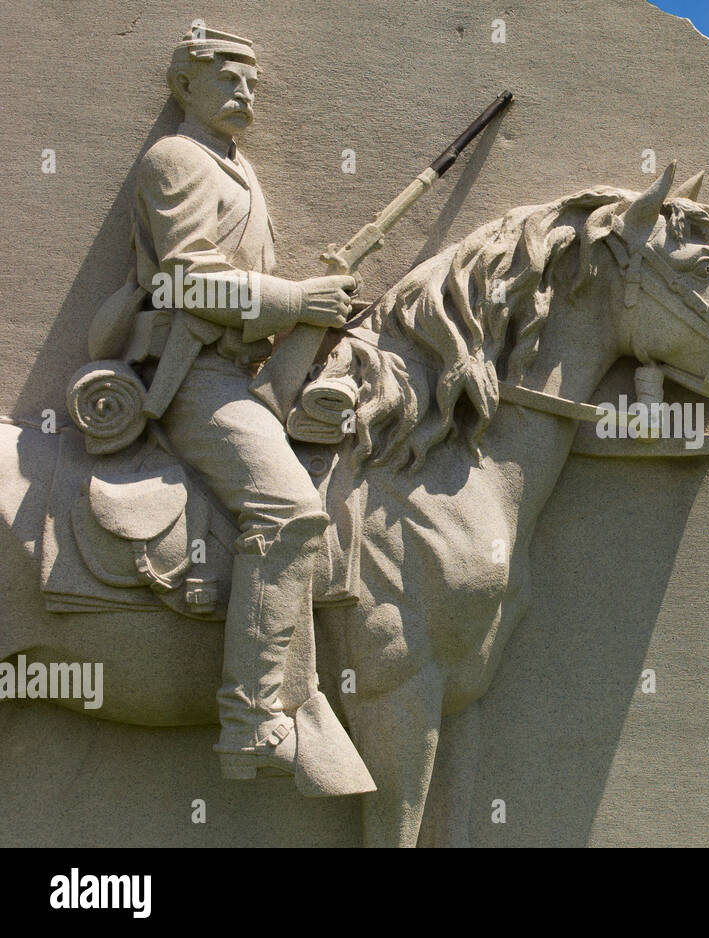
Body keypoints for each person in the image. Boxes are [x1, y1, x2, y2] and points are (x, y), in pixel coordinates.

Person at [132, 26, 355, 778]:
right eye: (228, 78)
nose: (245, 92)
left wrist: (313, 312)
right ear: (185, 87)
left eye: (253, 82)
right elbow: (187, 281)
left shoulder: (241, 171)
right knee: (288, 513)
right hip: (195, 379)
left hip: (242, 372)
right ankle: (251, 720)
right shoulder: (177, 159)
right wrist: (296, 297)